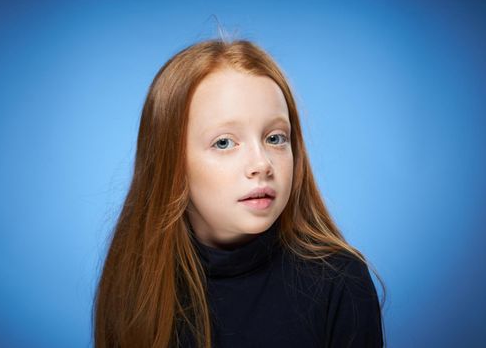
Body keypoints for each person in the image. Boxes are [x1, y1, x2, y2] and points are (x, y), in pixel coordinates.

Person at [93, 37, 384, 348]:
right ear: (172, 164)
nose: (261, 164)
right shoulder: (135, 287)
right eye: (224, 143)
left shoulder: (340, 281)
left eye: (275, 138)